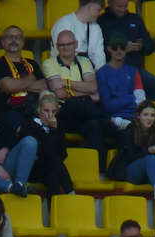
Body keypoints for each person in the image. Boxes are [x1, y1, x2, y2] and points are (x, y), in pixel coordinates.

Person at [43, 31, 108, 173]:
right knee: (73, 103)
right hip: (63, 115)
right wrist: (85, 93)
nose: (66, 48)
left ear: (76, 44)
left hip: (84, 114)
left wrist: (65, 83)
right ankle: (111, 120)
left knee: (94, 125)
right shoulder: (50, 63)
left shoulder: (84, 62)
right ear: (56, 46)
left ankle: (100, 172)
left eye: (69, 44)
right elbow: (60, 94)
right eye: (62, 45)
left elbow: (93, 87)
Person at [96, 0, 155, 100]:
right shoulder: (101, 21)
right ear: (109, 3)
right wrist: (120, 49)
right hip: (111, 70)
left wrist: (141, 47)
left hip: (135, 70)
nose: (122, 9)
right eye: (119, 6)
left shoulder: (135, 19)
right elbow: (97, 50)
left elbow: (150, 46)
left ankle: (138, 108)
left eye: (125, 6)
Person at [110, 100, 155, 197]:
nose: (149, 118)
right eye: (146, 115)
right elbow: (130, 157)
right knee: (151, 158)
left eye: (152, 115)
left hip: (148, 173)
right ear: (138, 116)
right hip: (128, 172)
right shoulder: (129, 131)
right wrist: (148, 151)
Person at [0, 25, 48, 133]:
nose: (14, 41)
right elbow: (9, 86)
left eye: (17, 38)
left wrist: (17, 85)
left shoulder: (32, 64)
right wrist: (32, 78)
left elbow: (43, 86)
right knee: (28, 131)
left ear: (23, 43)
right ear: (3, 42)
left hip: (33, 109)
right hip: (9, 112)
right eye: (9, 37)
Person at [18, 93, 74, 197]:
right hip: (31, 169)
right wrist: (52, 130)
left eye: (53, 111)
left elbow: (62, 152)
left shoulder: (59, 125)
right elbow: (44, 151)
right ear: (39, 109)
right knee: (53, 160)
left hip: (49, 167)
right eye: (46, 111)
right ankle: (71, 192)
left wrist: (54, 129)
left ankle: (54, 212)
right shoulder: (29, 125)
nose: (50, 115)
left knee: (53, 177)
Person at [95, 31, 146, 130]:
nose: (119, 51)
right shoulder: (101, 73)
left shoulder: (133, 71)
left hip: (133, 117)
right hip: (113, 120)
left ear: (127, 49)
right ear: (109, 49)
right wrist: (131, 98)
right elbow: (107, 105)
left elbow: (141, 102)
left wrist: (117, 102)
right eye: (115, 48)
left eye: (122, 48)